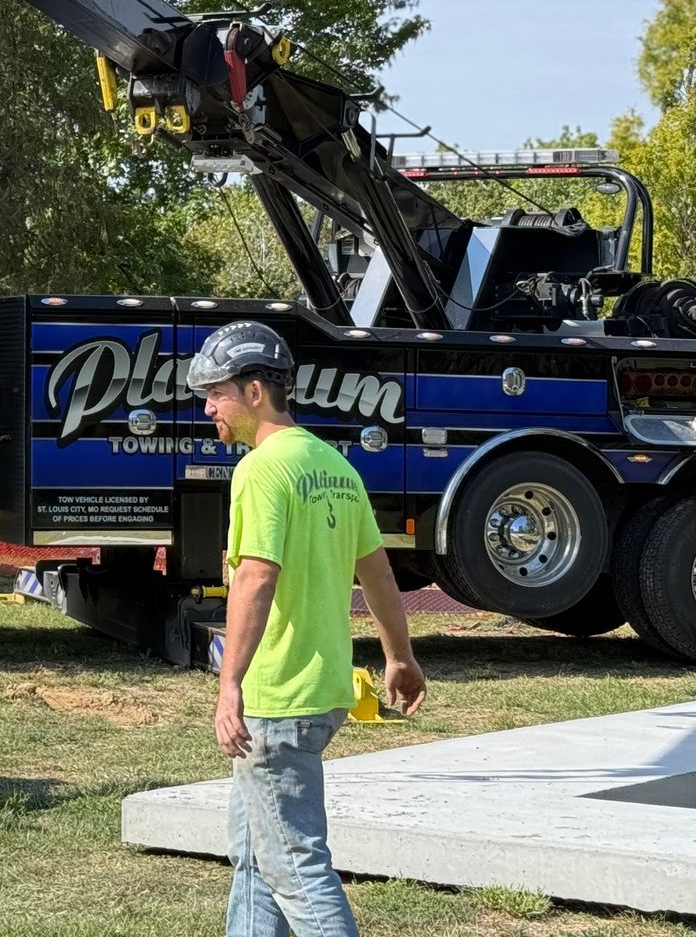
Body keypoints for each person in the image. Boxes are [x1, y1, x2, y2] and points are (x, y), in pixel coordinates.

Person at [193, 322, 427, 937]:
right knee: (254, 857)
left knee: (294, 865)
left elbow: (255, 578)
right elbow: (378, 573)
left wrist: (229, 684)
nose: (208, 408)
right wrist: (399, 657)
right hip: (321, 691)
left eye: (215, 394)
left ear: (254, 392)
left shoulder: (260, 469)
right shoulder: (334, 465)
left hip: (278, 698)